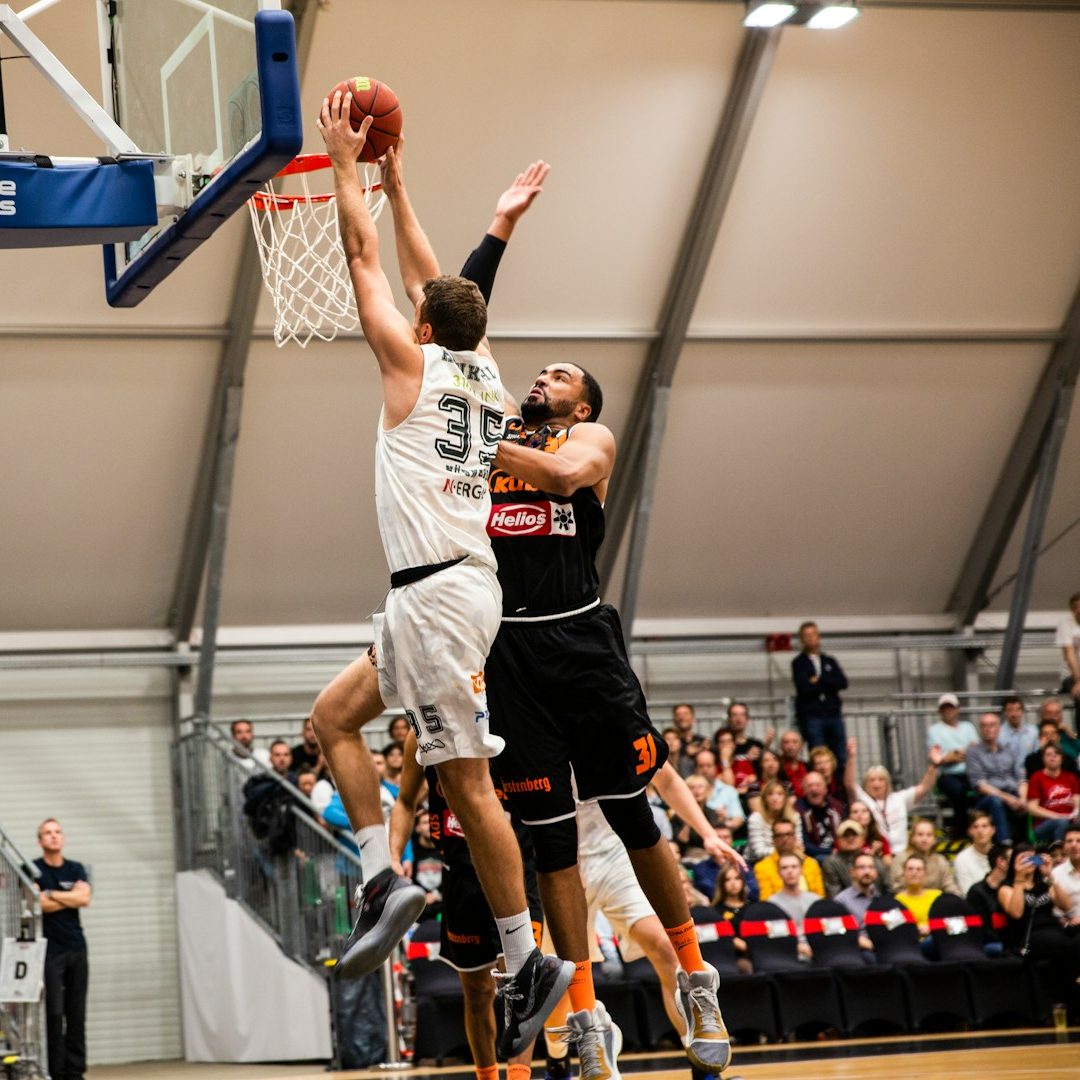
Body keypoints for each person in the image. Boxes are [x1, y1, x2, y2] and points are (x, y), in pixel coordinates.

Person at [311, 102, 572, 1057]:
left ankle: (526, 961)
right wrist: (401, 184)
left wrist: (347, 168)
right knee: (333, 719)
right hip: (441, 591)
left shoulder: (412, 367)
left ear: (423, 326)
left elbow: (363, 257)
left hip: (439, 596)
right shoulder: (484, 372)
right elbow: (426, 275)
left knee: (467, 785)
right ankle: (383, 878)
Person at [389, 732, 542, 1080]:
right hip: (460, 874)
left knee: (520, 983)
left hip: (515, 871)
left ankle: (519, 1077)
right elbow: (405, 802)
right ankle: (486, 1076)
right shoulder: (421, 731)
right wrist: (393, 857)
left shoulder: (509, 720)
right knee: (476, 991)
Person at [34, 819, 91, 1080]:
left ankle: (75, 1071)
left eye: (57, 832)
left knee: (76, 1012)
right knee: (54, 1013)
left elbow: (84, 898)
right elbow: (38, 904)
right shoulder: (33, 870)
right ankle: (56, 1071)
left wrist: (51, 894)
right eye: (48, 833)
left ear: (63, 838)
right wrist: (68, 898)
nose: (54, 836)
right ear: (40, 841)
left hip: (76, 948)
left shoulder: (76, 868)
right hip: (50, 952)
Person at [997, 845, 1080, 1001]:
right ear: (1014, 863)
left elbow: (1066, 905)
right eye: (1024, 859)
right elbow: (1016, 913)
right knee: (1065, 944)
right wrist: (1019, 879)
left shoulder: (1044, 884)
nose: (1029, 862)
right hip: (1029, 935)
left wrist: (1050, 875)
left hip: (1054, 929)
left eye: (1033, 858)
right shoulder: (1006, 888)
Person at [847, 737, 943, 855]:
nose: (876, 784)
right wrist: (851, 757)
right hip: (877, 853)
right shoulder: (863, 800)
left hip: (901, 853)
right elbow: (849, 784)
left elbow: (924, 788)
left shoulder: (899, 798)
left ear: (888, 783)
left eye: (881, 779)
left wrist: (934, 765)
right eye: (872, 780)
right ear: (865, 784)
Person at [791, 621, 848, 768]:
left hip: (833, 713)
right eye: (807, 635)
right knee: (817, 753)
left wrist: (819, 679)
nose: (811, 638)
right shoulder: (798, 663)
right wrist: (828, 683)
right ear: (801, 639)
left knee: (840, 754)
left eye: (813, 634)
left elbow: (842, 682)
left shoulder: (830, 661)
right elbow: (804, 688)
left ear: (819, 636)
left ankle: (839, 781)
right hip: (812, 715)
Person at [966, 712, 1027, 843]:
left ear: (999, 728)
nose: (988, 729)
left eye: (992, 725)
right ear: (980, 729)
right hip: (987, 798)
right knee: (995, 801)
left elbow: (1021, 778)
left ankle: (1028, 846)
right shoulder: (973, 752)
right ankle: (1004, 843)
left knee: (1030, 799)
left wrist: (1022, 798)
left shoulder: (1009, 750)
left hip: (1013, 793)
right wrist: (1007, 798)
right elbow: (980, 785)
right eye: (984, 726)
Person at [926, 693, 978, 834]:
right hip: (947, 775)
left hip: (970, 773)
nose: (948, 710)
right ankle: (961, 831)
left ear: (957, 709)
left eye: (951, 707)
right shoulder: (934, 730)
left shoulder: (968, 727)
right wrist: (949, 757)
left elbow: (975, 750)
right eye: (945, 708)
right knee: (958, 791)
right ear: (939, 711)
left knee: (982, 787)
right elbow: (936, 758)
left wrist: (953, 754)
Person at [754, 820, 824, 900]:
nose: (785, 839)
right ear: (773, 839)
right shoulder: (762, 867)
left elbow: (820, 897)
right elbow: (766, 901)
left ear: (795, 837)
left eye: (789, 834)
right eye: (780, 835)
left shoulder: (811, 863)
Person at [888, 817, 960, 895]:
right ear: (912, 838)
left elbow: (949, 885)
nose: (924, 839)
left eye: (929, 835)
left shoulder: (940, 860)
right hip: (906, 900)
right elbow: (896, 888)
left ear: (934, 840)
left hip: (935, 901)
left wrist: (957, 898)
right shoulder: (900, 858)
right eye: (920, 835)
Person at [1026, 743, 1080, 843]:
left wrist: (1076, 812)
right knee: (1062, 823)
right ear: (1043, 759)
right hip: (1044, 824)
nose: (1053, 757)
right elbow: (1032, 808)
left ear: (1062, 758)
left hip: (1070, 820)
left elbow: (1076, 797)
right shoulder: (1037, 778)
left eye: (1056, 754)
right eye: (1049, 754)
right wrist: (1057, 816)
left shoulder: (1070, 777)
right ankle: (1058, 850)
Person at [768, 853, 818, 960]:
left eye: (794, 866)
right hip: (786, 955)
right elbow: (775, 937)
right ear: (778, 873)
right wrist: (800, 948)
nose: (790, 871)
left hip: (817, 951)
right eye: (784, 868)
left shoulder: (815, 900)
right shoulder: (772, 904)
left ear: (801, 870)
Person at [821, 820, 886, 898]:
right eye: (845, 835)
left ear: (863, 839)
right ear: (838, 841)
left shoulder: (876, 861)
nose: (850, 838)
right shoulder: (831, 863)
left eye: (854, 834)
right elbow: (834, 896)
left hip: (878, 903)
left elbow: (887, 890)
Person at [966, 844, 1010, 955]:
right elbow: (980, 929)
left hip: (1014, 941)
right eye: (1014, 858)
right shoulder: (976, 892)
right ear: (1001, 862)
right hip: (990, 943)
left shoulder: (1015, 887)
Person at [745, 780, 803, 863]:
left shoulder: (794, 817)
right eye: (770, 794)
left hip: (788, 859)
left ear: (785, 798)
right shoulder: (755, 818)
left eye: (779, 794)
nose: (775, 798)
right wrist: (785, 850)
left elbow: (799, 845)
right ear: (764, 799)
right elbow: (759, 851)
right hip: (757, 861)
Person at [794, 771, 845, 861]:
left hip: (838, 852)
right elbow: (805, 844)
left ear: (825, 789)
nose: (814, 789)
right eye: (809, 786)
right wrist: (831, 851)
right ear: (804, 790)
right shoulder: (798, 810)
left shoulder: (837, 807)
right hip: (814, 856)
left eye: (818, 785)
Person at [835, 852, 887, 938]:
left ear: (876, 873)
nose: (867, 871)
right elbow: (837, 932)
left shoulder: (879, 897)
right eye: (861, 867)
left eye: (871, 867)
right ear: (852, 872)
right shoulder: (841, 901)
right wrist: (860, 941)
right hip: (856, 944)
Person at [694, 748, 743, 830]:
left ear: (716, 767)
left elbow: (738, 819)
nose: (705, 770)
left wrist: (724, 820)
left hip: (721, 833)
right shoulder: (688, 790)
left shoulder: (729, 791)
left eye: (709, 766)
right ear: (695, 769)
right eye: (701, 766)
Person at [893, 854, 940, 937]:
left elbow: (950, 921)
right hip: (910, 941)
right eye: (910, 869)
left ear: (925, 874)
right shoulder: (896, 900)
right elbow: (895, 929)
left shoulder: (938, 896)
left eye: (919, 869)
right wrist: (915, 930)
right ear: (904, 873)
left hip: (936, 938)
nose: (914, 873)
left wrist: (931, 927)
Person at [952, 810, 995, 897]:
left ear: (993, 830)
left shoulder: (1002, 856)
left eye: (984, 826)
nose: (980, 830)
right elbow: (968, 894)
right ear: (969, 831)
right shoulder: (962, 859)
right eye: (975, 827)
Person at [1050, 822, 1080, 925]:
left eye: (1078, 841)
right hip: (1065, 926)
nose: (1074, 845)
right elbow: (1057, 908)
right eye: (1069, 841)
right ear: (1064, 846)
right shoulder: (1055, 873)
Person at [1056, 591, 1080, 707]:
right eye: (1076, 608)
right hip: (1071, 674)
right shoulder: (1066, 623)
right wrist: (1078, 680)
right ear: (1073, 610)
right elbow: (1069, 653)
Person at [998, 695, 1039, 762]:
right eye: (1010, 710)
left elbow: (1037, 757)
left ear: (1022, 712)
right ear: (1005, 712)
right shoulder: (997, 734)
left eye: (1017, 710)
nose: (1014, 714)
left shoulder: (1033, 732)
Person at [777, 730, 808, 798]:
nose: (790, 746)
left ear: (801, 745)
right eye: (786, 742)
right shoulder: (776, 767)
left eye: (795, 742)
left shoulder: (808, 767)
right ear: (781, 746)